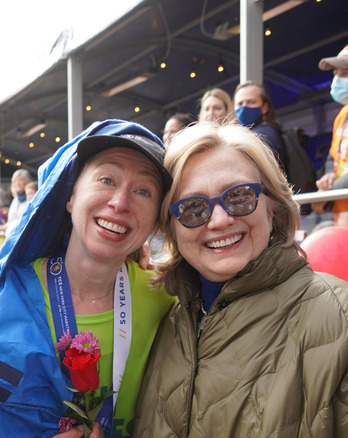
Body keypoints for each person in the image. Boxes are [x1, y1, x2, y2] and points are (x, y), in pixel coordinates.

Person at [0, 119, 177, 438]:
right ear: (70, 195)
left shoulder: (166, 301)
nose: (120, 202)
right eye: (106, 179)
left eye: (143, 190)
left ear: (156, 219)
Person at [134, 123, 348, 437]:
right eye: (193, 208)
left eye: (239, 196)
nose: (220, 220)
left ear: (271, 206)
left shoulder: (339, 319)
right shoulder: (164, 323)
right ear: (171, 228)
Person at [314, 44, 348, 227]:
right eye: (336, 73)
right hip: (342, 215)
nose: (338, 79)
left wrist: (329, 192)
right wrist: (329, 176)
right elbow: (333, 157)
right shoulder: (342, 116)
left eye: (345, 73)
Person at [233, 81, 287, 169]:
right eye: (240, 104)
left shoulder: (263, 136)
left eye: (251, 102)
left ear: (264, 107)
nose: (244, 107)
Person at [4, 168, 35, 236]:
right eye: (15, 181)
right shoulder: (15, 200)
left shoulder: (32, 198)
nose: (17, 183)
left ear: (27, 181)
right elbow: (11, 220)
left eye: (20, 180)